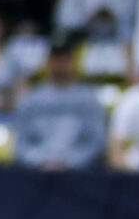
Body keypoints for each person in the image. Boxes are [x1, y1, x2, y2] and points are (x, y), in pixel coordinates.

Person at [14, 39, 109, 170]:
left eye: (64, 58)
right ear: (47, 61)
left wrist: (71, 161)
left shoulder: (89, 99)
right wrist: (39, 159)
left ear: (73, 60)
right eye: (55, 58)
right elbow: (20, 141)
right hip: (37, 173)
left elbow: (96, 141)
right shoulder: (31, 99)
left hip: (78, 174)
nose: (59, 63)